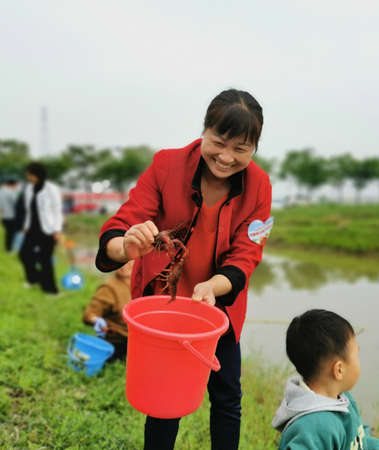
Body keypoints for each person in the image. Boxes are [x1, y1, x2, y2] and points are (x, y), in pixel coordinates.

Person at [95, 89, 272, 450]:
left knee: (227, 398)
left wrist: (213, 287)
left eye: (241, 148)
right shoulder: (167, 165)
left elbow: (246, 256)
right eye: (219, 142)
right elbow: (120, 225)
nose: (226, 157)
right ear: (204, 131)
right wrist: (127, 246)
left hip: (216, 307)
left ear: (254, 147)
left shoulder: (259, 186)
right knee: (164, 403)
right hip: (164, 307)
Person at [272, 310, 379, 450]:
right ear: (339, 370)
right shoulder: (314, 427)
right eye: (356, 354)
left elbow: (361, 437)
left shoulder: (344, 400)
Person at [19, 162, 63, 294]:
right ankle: (34, 279)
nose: (27, 177)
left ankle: (51, 290)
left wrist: (57, 230)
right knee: (24, 254)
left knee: (45, 259)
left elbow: (57, 210)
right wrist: (26, 226)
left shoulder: (51, 189)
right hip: (32, 229)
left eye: (29, 174)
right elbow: (29, 210)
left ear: (36, 174)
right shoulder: (29, 189)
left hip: (48, 230)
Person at [82, 260, 133, 362]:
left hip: (139, 338)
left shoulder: (145, 282)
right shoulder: (108, 288)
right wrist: (95, 320)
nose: (124, 265)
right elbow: (90, 313)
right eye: (120, 261)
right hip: (118, 341)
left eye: (128, 261)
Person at [0, 178, 21, 252]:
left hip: (3, 216)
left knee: (9, 233)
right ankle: (9, 249)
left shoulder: (0, 192)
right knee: (11, 233)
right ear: (13, 184)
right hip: (11, 216)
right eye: (16, 185)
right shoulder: (10, 193)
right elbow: (16, 204)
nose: (17, 187)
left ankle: (8, 248)